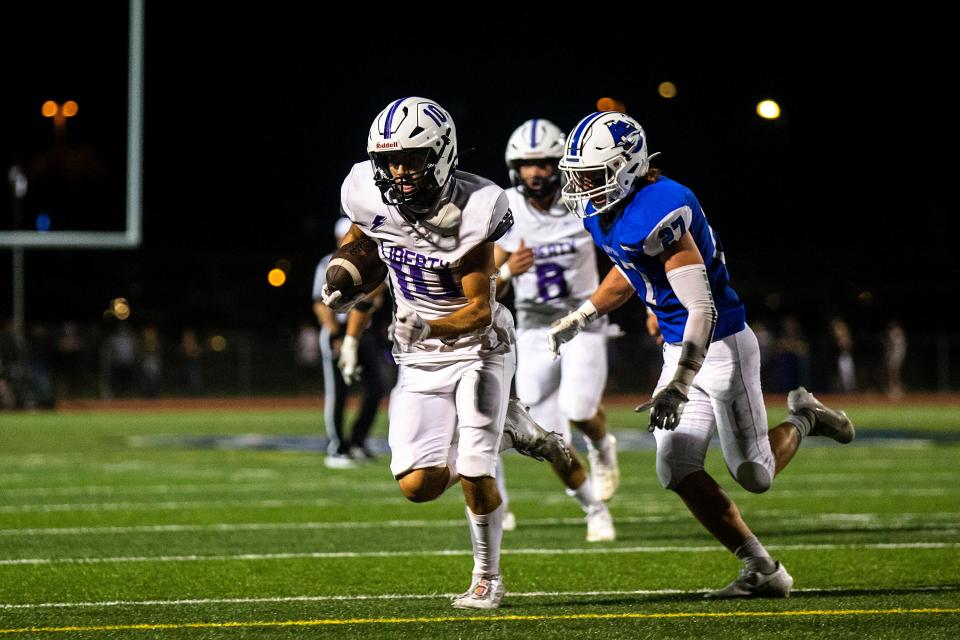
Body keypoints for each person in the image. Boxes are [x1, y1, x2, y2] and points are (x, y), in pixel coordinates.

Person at [549, 111, 856, 598]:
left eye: (593, 175)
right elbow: (630, 271)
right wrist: (580, 317)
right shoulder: (603, 211)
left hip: (723, 345)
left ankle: (805, 418)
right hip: (681, 346)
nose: (583, 186)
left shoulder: (659, 209)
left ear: (626, 167)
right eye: (579, 174)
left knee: (754, 474)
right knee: (675, 465)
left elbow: (702, 306)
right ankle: (763, 568)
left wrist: (679, 382)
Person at [322, 97, 570, 609]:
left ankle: (488, 578)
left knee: (476, 469)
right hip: (418, 355)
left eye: (412, 158)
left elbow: (481, 308)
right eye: (390, 160)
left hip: (479, 346)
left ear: (440, 153)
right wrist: (348, 279)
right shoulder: (366, 191)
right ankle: (509, 429)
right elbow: (362, 239)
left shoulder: (478, 206)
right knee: (417, 484)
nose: (399, 171)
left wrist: (428, 322)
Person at [493, 118, 617, 542]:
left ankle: (603, 448)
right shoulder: (507, 207)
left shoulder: (581, 200)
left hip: (583, 321)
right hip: (532, 330)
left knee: (580, 407)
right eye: (527, 164)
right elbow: (488, 279)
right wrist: (509, 267)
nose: (535, 172)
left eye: (544, 162)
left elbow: (622, 249)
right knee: (546, 436)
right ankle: (594, 508)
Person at [312, 217, 388, 468]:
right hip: (339, 332)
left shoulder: (376, 262)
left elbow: (374, 300)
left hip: (363, 332)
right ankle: (337, 447)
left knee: (377, 387)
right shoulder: (327, 263)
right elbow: (319, 303)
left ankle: (357, 441)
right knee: (338, 393)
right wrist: (335, 334)